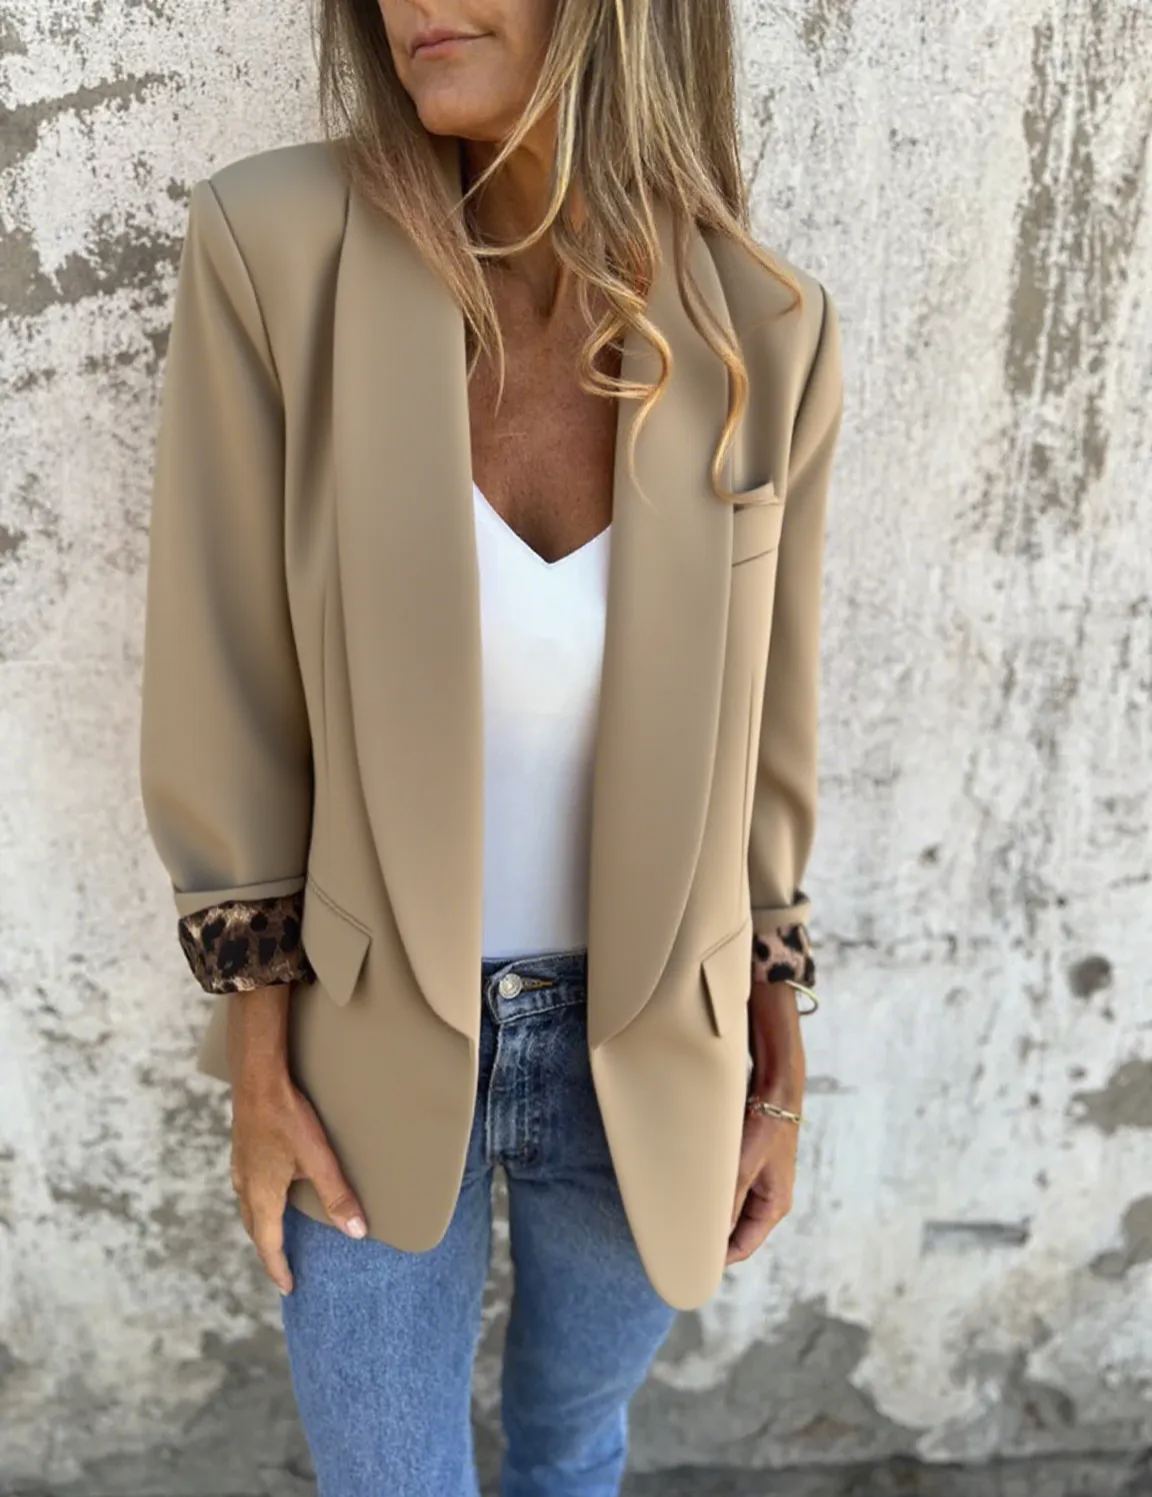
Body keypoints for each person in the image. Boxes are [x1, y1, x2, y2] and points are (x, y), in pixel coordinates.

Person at [138, 1, 843, 1492]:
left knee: (573, 1450)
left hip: (658, 1044)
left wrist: (779, 1057)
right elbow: (225, 676)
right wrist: (258, 1065)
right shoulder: (276, 249)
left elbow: (772, 724)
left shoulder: (763, 326)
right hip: (362, 1033)